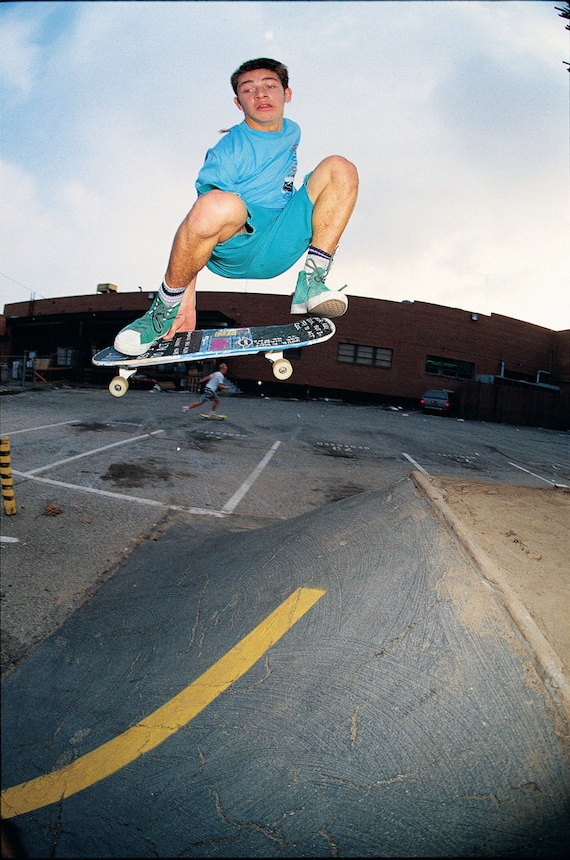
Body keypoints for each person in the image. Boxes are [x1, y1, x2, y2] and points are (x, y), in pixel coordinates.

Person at [114, 57, 359, 356]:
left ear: (287, 94)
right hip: (239, 244)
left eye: (269, 86)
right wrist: (186, 298)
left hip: (282, 239)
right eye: (248, 90)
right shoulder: (229, 151)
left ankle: (313, 281)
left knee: (340, 167)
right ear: (237, 102)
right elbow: (201, 220)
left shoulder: (292, 130)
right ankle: (162, 311)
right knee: (218, 204)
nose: (260, 95)